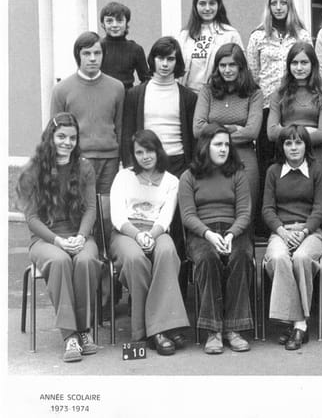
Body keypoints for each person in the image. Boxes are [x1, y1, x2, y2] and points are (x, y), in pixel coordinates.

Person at [17, 113, 100, 363]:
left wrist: (82, 236)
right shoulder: (32, 170)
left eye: (72, 138)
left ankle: (84, 330)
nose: (67, 142)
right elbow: (32, 218)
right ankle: (70, 336)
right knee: (60, 260)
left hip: (79, 234)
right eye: (61, 136)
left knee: (86, 260)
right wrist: (58, 242)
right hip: (45, 239)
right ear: (50, 137)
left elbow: (90, 209)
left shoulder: (84, 167)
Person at [109, 130, 189, 354]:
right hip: (126, 232)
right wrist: (137, 235)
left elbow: (166, 218)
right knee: (136, 259)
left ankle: (160, 327)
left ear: (158, 151)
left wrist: (151, 235)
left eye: (149, 150)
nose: (145, 156)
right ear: (133, 155)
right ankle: (157, 330)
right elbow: (117, 216)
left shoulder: (171, 181)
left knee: (167, 252)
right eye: (139, 152)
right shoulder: (123, 176)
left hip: (156, 230)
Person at [178, 124, 254, 354]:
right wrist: (208, 234)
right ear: (205, 146)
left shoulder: (238, 174)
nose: (223, 149)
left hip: (234, 231)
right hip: (202, 232)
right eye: (218, 144)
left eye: (227, 145)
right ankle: (214, 331)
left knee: (241, 256)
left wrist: (231, 234)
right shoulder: (189, 176)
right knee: (208, 259)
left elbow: (244, 212)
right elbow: (187, 215)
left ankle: (234, 328)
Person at [261, 126, 322, 350]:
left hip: (310, 232)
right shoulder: (273, 171)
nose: (293, 148)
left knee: (301, 258)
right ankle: (299, 323)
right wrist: (282, 231)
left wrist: (304, 231)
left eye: (298, 142)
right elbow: (267, 210)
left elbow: (320, 209)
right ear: (281, 147)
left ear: (306, 145)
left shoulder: (317, 170)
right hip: (281, 231)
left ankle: (294, 324)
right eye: (288, 143)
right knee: (278, 258)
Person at [246, 0, 312, 190]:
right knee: (268, 161)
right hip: (267, 106)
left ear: (290, 5)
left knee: (294, 157)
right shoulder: (258, 36)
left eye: (283, 2)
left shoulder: (302, 35)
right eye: (274, 3)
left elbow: (310, 68)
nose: (278, 7)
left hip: (295, 106)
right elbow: (253, 74)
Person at [194, 43, 263, 219]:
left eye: (232, 65)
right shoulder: (207, 91)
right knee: (216, 215)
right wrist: (234, 128)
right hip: (211, 160)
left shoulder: (254, 93)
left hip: (244, 160)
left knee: (245, 215)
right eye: (222, 65)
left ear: (241, 66)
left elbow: (252, 132)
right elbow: (197, 129)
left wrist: (214, 129)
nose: (227, 70)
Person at [50, 31, 124, 194]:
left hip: (109, 160)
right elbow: (54, 132)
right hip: (76, 158)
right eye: (87, 53)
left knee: (105, 207)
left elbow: (120, 127)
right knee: (78, 204)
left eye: (97, 53)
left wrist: (121, 159)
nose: (92, 58)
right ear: (78, 55)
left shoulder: (117, 87)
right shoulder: (61, 90)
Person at [122, 36, 197, 177]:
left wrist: (192, 168)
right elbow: (127, 134)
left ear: (177, 62)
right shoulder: (134, 95)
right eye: (160, 58)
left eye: (170, 59)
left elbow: (194, 139)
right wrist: (130, 166)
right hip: (145, 161)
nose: (165, 64)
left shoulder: (189, 97)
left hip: (178, 164)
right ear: (153, 59)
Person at [267, 42, 322, 176]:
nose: (299, 68)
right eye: (294, 63)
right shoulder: (279, 94)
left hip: (316, 159)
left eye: (304, 63)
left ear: (313, 65)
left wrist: (286, 131)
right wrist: (307, 131)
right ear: (288, 65)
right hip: (286, 159)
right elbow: (272, 133)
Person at [178, 0, 243, 93]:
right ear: (195, 6)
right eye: (202, 4)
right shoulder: (184, 35)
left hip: (218, 95)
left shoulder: (230, 34)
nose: (207, 8)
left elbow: (241, 68)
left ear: (218, 5)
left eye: (212, 3)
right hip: (188, 95)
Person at [99, 1, 149, 90]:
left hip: (127, 96)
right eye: (109, 21)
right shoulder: (98, 47)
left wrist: (134, 94)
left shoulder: (135, 49)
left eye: (119, 20)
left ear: (126, 23)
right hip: (102, 95)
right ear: (103, 24)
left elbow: (146, 79)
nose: (115, 25)